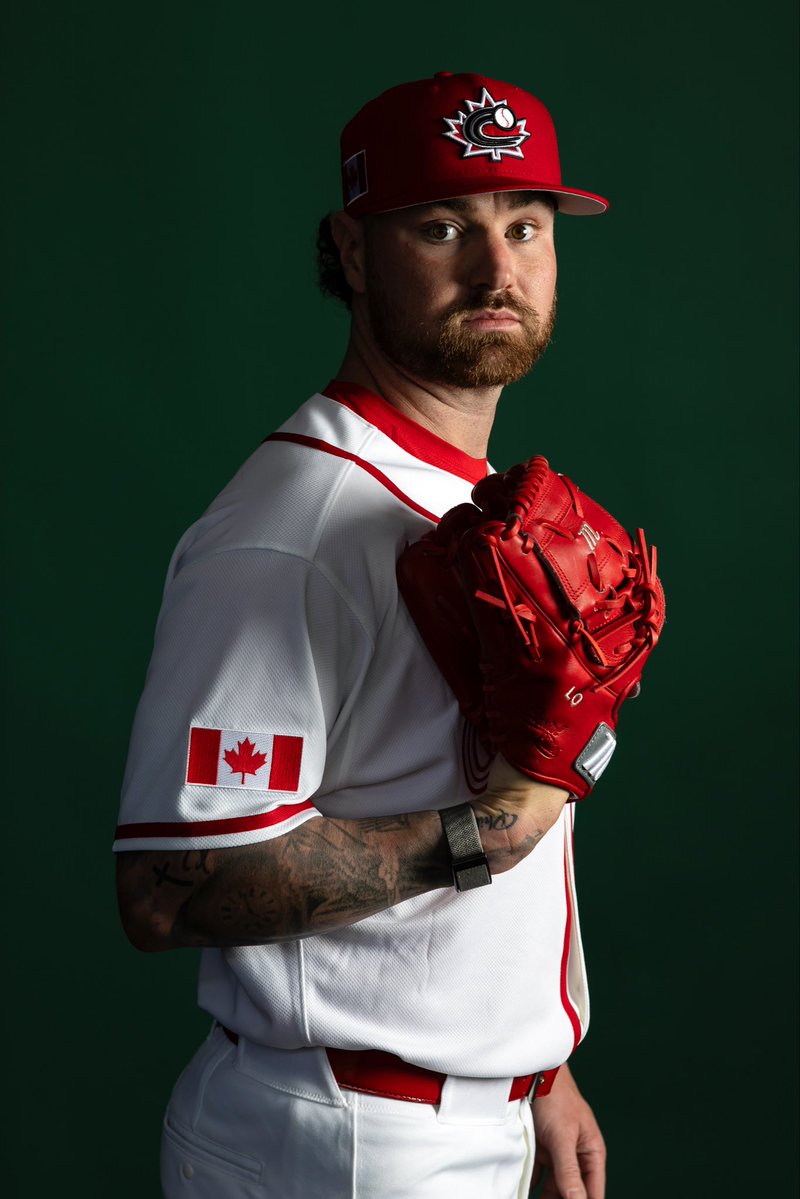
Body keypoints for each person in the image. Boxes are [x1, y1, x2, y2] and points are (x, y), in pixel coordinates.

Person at [115, 71, 614, 1199]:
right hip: (342, 1142)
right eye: (442, 227)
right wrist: (489, 826)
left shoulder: (469, 493)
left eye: (524, 226)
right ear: (350, 248)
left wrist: (537, 1068)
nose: (497, 269)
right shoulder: (288, 531)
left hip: (453, 1114)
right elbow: (167, 888)